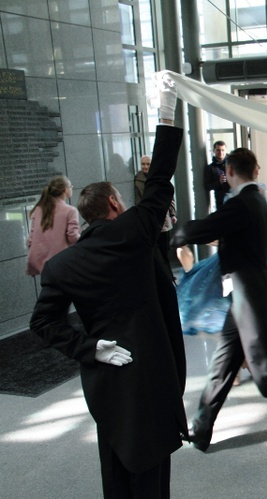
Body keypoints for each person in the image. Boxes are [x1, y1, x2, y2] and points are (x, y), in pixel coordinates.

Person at [29, 75, 188, 497]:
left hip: (105, 378)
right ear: (115, 204)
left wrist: (91, 346)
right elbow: (159, 181)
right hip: (151, 372)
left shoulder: (61, 267)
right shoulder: (134, 232)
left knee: (115, 463)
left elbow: (42, 323)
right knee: (152, 471)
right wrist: (166, 110)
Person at [171, 146, 267, 452]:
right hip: (245, 300)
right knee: (223, 366)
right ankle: (200, 430)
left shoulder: (243, 204)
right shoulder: (257, 201)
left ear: (231, 172)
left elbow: (204, 228)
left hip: (253, 302)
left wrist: (174, 233)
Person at [26, 175, 80, 276]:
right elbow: (72, 237)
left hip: (42, 265)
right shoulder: (70, 211)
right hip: (62, 263)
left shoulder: (38, 209)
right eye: (70, 186)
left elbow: (30, 239)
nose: (72, 188)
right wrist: (84, 237)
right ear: (65, 190)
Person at [135, 154, 177, 275]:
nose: (145, 167)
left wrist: (172, 213)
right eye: (143, 164)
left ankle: (168, 274)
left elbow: (170, 197)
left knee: (164, 249)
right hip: (149, 219)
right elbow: (139, 200)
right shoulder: (138, 180)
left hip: (163, 218)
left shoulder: (160, 177)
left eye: (148, 164)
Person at [204, 140, 229, 211]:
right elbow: (207, 186)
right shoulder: (210, 168)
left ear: (226, 151)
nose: (221, 152)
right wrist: (219, 182)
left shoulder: (233, 164)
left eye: (222, 150)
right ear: (213, 151)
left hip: (234, 198)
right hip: (220, 202)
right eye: (218, 150)